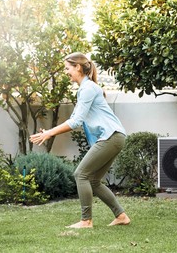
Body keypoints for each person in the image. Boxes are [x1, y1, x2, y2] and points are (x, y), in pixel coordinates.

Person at [30, 52, 131, 229]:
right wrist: (49, 131)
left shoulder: (88, 88)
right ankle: (121, 216)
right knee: (93, 180)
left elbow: (75, 122)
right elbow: (76, 117)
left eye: (67, 68)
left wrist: (50, 133)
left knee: (81, 174)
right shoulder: (86, 89)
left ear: (78, 67)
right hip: (114, 136)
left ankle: (86, 221)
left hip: (111, 136)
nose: (66, 72)